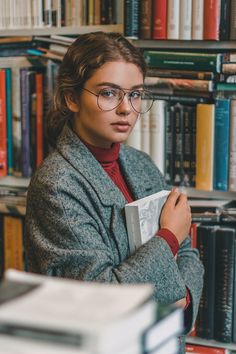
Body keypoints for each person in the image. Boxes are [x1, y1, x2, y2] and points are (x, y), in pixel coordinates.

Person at [25, 31, 204, 353]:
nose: (126, 109)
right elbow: (100, 298)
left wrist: (184, 296)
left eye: (135, 95)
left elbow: (188, 255)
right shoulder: (57, 184)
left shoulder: (140, 163)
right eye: (109, 93)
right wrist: (169, 239)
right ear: (72, 98)